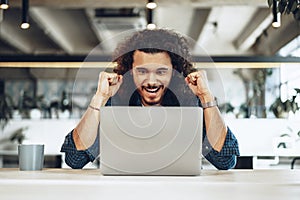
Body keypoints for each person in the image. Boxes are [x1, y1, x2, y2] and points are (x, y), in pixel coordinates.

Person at [61, 28, 239, 170]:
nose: (151, 81)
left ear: (174, 72)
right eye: (142, 71)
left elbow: (225, 160)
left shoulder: (192, 104)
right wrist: (99, 98)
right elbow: (75, 159)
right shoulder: (113, 103)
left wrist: (206, 96)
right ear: (130, 71)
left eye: (161, 71)